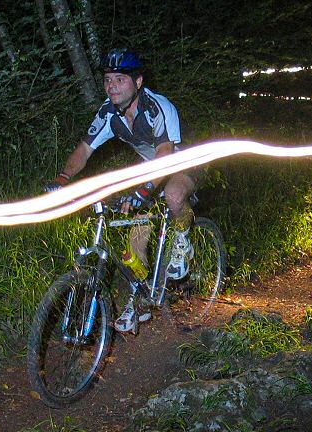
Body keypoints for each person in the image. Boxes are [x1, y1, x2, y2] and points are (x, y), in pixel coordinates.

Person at [45, 48, 201, 333]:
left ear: (138, 82)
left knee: (173, 195)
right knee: (136, 231)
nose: (111, 86)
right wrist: (63, 178)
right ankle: (138, 297)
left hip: (183, 160)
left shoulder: (157, 107)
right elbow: (84, 150)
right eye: (107, 80)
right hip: (151, 166)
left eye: (120, 79)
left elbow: (166, 154)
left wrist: (145, 189)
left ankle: (183, 239)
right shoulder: (108, 113)